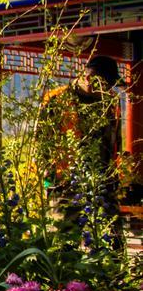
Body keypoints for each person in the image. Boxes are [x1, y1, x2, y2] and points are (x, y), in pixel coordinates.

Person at [40, 54, 122, 240]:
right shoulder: (57, 100)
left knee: (113, 239)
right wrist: (49, 181)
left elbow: (116, 140)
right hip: (66, 183)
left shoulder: (110, 102)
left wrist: (115, 175)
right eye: (105, 84)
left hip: (102, 182)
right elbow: (42, 142)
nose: (108, 89)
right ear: (89, 77)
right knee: (64, 240)